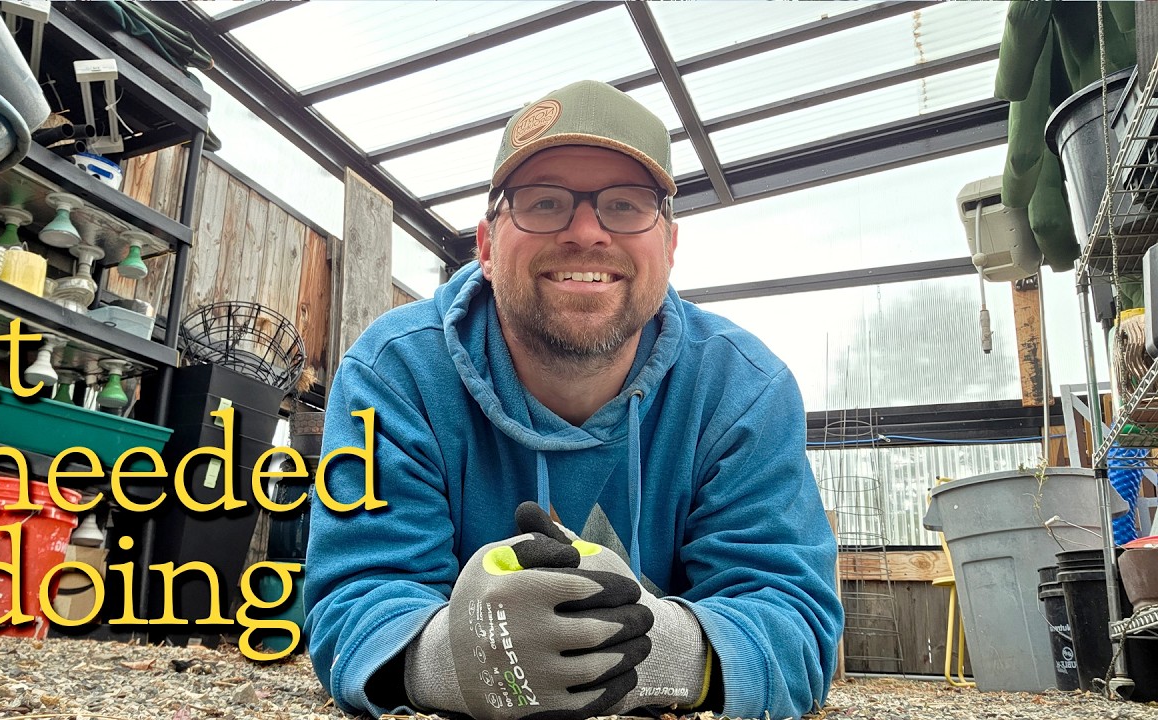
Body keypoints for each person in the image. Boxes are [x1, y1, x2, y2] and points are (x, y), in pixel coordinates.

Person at [302, 79, 843, 720]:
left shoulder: (745, 391)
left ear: (669, 248)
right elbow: (355, 597)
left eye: (625, 205)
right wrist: (460, 657)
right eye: (544, 201)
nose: (586, 232)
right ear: (485, 244)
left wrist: (649, 655)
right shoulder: (395, 373)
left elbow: (794, 618)